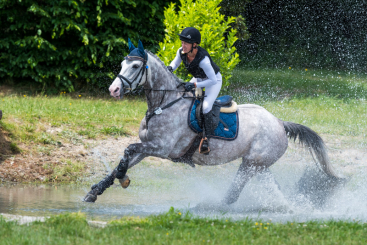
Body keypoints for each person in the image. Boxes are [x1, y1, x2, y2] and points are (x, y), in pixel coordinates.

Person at [167, 27, 222, 155]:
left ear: (194, 45)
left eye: (186, 43)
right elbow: (174, 64)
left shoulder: (204, 60)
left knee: (206, 106)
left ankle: (206, 138)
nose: (183, 45)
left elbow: (212, 80)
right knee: (181, 95)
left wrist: (195, 85)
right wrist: (168, 68)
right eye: (182, 42)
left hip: (213, 80)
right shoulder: (181, 52)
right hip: (199, 78)